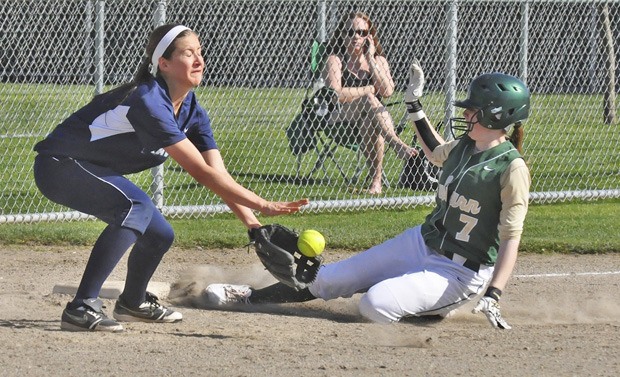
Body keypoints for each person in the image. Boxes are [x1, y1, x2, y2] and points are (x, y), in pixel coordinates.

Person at [203, 61, 531, 330]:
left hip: (461, 271)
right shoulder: (464, 146)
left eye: (473, 109)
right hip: (421, 242)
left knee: (376, 304)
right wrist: (414, 104)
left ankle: (431, 309)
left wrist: (495, 292)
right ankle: (249, 297)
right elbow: (433, 151)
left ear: (496, 115)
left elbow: (510, 239)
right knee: (326, 280)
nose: (466, 113)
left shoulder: (511, 169)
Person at [33, 24, 308, 332]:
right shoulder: (148, 101)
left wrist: (255, 225)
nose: (199, 60)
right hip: (60, 166)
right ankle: (81, 307)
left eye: (200, 52)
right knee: (136, 207)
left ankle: (132, 303)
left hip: (90, 169)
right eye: (188, 53)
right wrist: (263, 204)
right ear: (163, 63)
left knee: (159, 234)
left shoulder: (193, 112)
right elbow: (201, 173)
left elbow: (218, 173)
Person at [321, 11, 417, 194]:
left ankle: (376, 183)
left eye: (361, 32)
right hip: (339, 116)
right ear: (342, 35)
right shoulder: (335, 60)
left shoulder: (378, 60)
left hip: (371, 118)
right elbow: (336, 95)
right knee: (369, 99)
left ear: (369, 36)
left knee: (369, 121)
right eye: (350, 32)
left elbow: (388, 91)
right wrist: (370, 89)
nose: (356, 37)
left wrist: (371, 61)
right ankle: (397, 144)